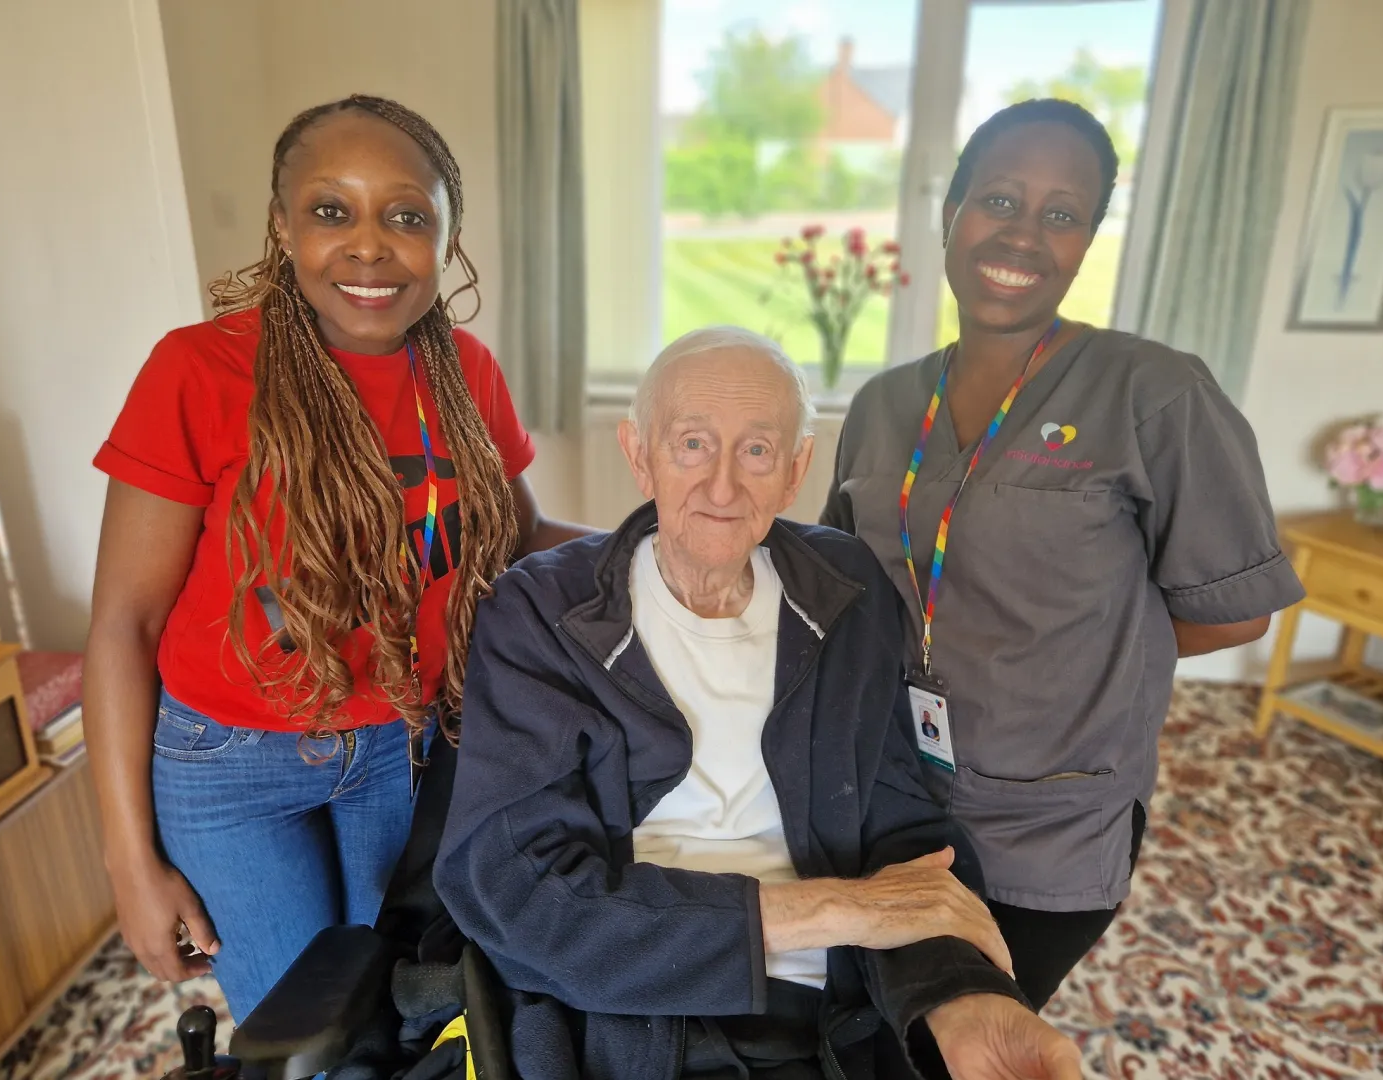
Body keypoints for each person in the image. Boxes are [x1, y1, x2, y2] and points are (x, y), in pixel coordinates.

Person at [435, 327, 1083, 1080]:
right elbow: (516, 890)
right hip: (624, 1013)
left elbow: (902, 831)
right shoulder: (542, 610)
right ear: (637, 453)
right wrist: (833, 911)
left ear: (795, 470)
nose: (721, 487)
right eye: (690, 444)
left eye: (755, 450)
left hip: (821, 1014)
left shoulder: (844, 589)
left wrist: (960, 996)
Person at [84, 95, 588, 1023]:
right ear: (282, 226)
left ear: (446, 235)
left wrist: (659, 541)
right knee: (301, 1035)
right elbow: (127, 621)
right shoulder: (199, 370)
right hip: (230, 765)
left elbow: (517, 538)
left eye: (406, 215)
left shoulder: (464, 370)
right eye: (330, 211)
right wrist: (130, 863)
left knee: (406, 1013)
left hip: (407, 746)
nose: (368, 245)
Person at [821, 98, 1304, 1010]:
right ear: (948, 214)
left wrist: (1080, 656)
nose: (1025, 234)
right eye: (999, 200)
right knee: (863, 1016)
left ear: (1086, 240)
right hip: (887, 789)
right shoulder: (884, 405)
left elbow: (1235, 607)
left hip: (1050, 823)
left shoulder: (1153, 393)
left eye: (1061, 214)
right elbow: (846, 580)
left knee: (973, 1032)